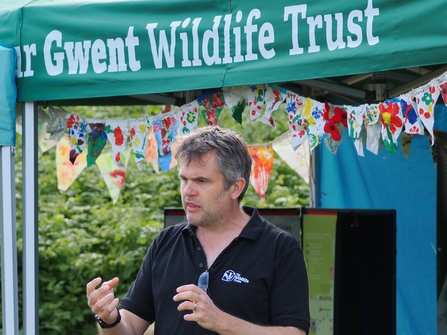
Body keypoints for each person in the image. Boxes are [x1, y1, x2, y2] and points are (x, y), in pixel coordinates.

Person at [86, 126, 310, 335]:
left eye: (201, 181)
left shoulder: (279, 247)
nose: (188, 191)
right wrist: (110, 319)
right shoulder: (166, 241)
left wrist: (222, 321)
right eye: (184, 179)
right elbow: (130, 327)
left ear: (235, 188)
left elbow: (294, 332)